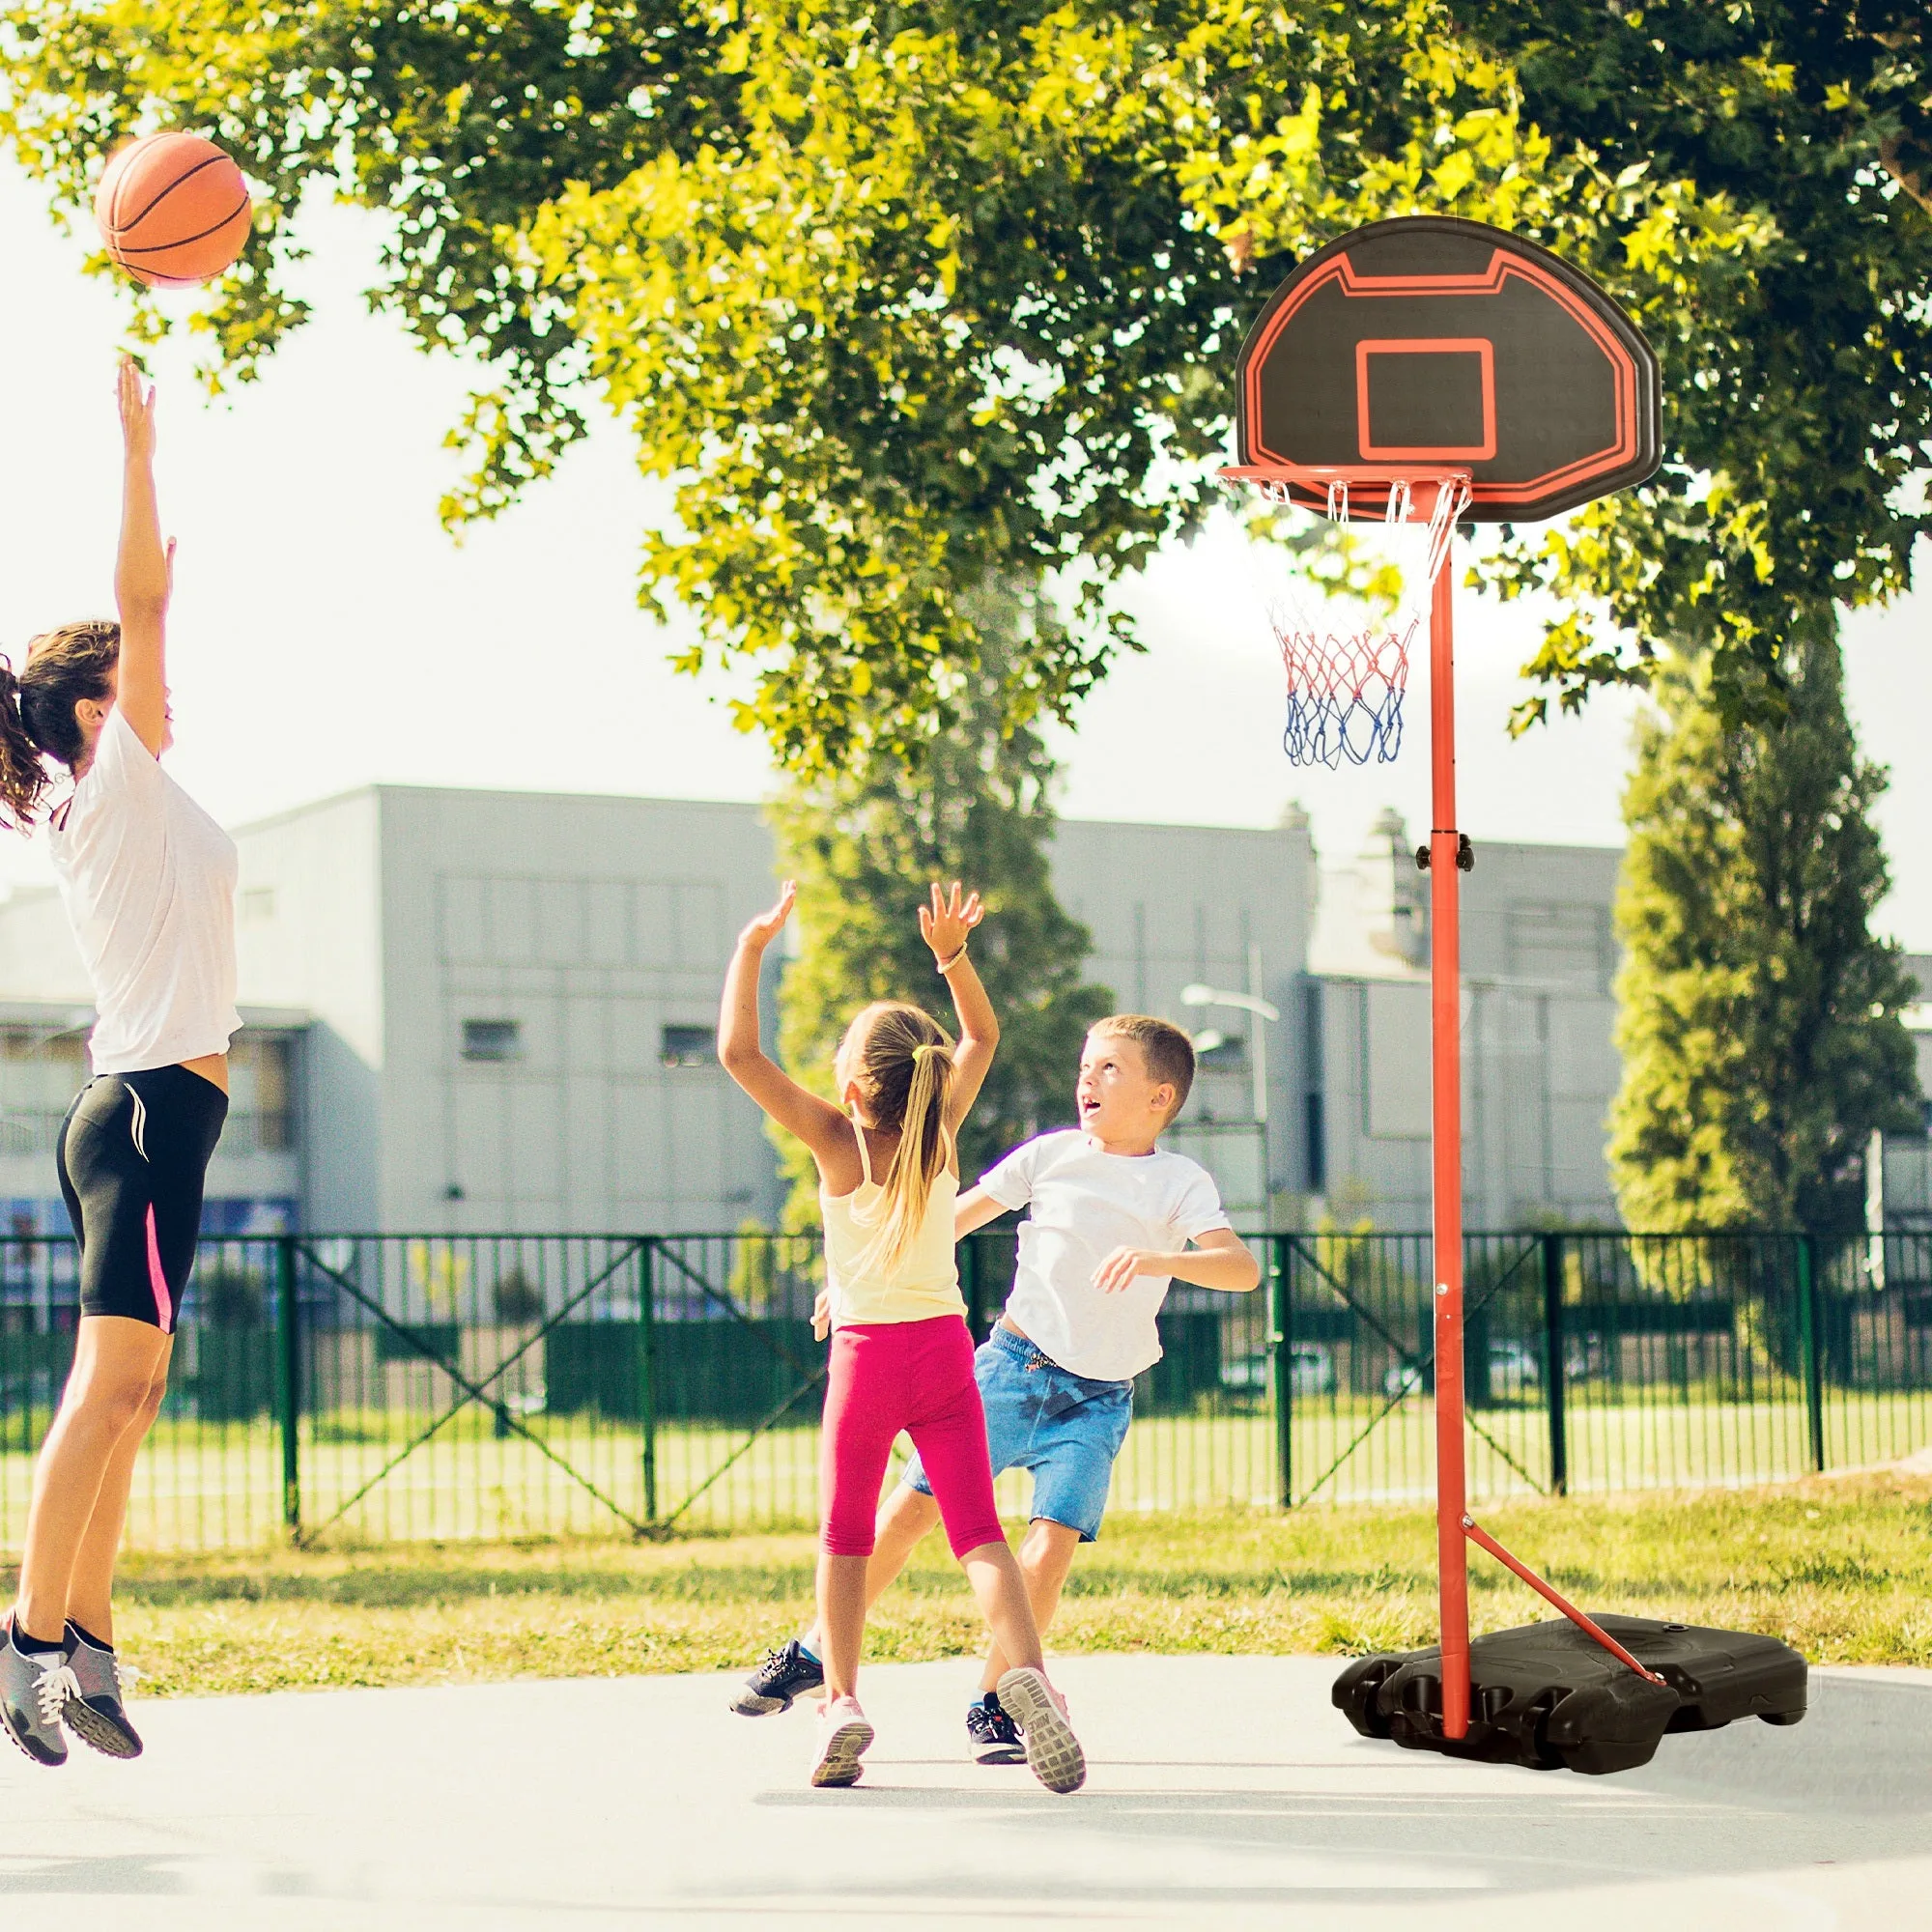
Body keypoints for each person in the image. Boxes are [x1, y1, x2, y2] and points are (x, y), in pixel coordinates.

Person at [732, 1013, 1258, 1763]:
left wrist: (1161, 1260)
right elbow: (944, 1217)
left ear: (1160, 1097)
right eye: (1085, 1066)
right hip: (1013, 1368)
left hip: (1099, 1396)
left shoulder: (1179, 1183)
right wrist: (855, 1276)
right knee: (911, 1515)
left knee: (1049, 1547)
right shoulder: (1050, 1156)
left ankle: (997, 1698)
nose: (1087, 1079)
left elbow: (1241, 1269)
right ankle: (817, 1648)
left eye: (1110, 1068)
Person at [0, 360, 240, 1767]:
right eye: (136, 677)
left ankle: (84, 1635)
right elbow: (140, 602)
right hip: (145, 1114)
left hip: (165, 1114)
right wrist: (139, 445)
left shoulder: (108, 799)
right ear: (96, 703)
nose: (161, 685)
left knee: (136, 1391)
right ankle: (28, 1638)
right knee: (106, 1390)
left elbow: (135, 623)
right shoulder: (121, 772)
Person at [717, 879, 1084, 1793]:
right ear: (922, 1076)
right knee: (980, 1537)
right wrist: (953, 956)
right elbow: (984, 1038)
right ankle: (1028, 1678)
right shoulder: (940, 1133)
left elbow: (737, 1052)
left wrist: (753, 947)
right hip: (944, 1357)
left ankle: (840, 1701)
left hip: (868, 1362)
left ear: (851, 1084)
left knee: (846, 1539)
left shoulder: (836, 1140)